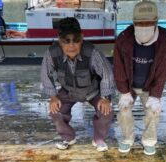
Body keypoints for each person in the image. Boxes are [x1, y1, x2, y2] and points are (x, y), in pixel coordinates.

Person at [41, 17, 114, 151]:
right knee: (54, 111)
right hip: (68, 91)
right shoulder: (51, 53)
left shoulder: (93, 52)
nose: (71, 45)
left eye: (76, 40)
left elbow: (107, 74)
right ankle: (68, 137)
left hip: (93, 91)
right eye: (66, 41)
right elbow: (46, 74)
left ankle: (99, 139)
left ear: (82, 38)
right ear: (59, 40)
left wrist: (105, 98)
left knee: (106, 111)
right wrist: (53, 97)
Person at [113, 0, 166, 156]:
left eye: (149, 23)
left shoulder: (164, 40)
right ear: (133, 22)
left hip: (150, 85)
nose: (144, 26)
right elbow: (118, 67)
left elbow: (163, 70)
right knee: (123, 111)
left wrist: (156, 95)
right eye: (140, 23)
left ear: (156, 22)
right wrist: (124, 91)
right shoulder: (123, 39)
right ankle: (127, 139)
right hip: (129, 85)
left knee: (153, 111)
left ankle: (149, 141)